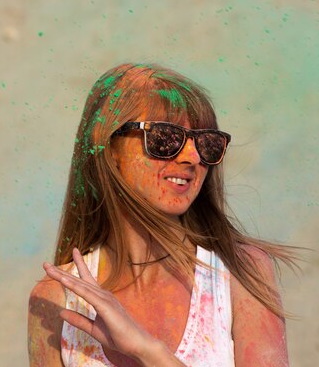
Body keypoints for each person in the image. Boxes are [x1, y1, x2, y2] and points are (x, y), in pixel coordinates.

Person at [28, 63, 298, 367]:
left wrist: (148, 352)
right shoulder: (56, 299)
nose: (192, 157)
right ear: (108, 148)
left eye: (207, 144)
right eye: (165, 138)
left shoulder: (240, 274)